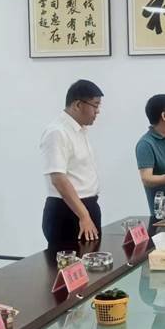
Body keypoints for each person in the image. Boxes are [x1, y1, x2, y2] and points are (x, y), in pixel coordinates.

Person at [40, 79, 104, 244]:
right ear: (77, 105)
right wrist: (84, 216)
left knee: (91, 258)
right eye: (95, 105)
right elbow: (58, 178)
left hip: (87, 206)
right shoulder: (57, 132)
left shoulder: (80, 130)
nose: (97, 111)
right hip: (67, 211)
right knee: (69, 259)